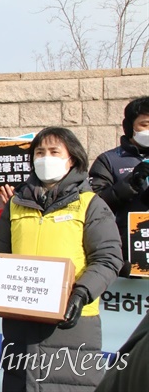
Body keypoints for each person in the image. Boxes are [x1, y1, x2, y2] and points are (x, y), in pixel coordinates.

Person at [0, 127, 123, 391]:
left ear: (72, 159)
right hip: (19, 321)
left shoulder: (90, 204)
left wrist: (81, 294)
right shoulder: (16, 204)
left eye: (54, 152)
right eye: (39, 152)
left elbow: (108, 258)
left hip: (73, 323)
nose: (46, 158)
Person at [89, 96, 149, 277]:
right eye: (145, 124)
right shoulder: (109, 160)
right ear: (129, 127)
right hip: (127, 253)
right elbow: (93, 204)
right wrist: (130, 184)